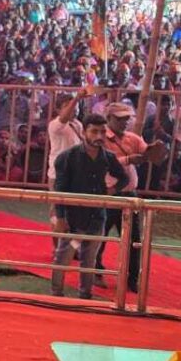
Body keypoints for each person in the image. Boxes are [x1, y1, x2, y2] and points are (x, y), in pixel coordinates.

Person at [51, 114, 132, 299]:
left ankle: (85, 295)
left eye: (102, 132)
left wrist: (111, 190)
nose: (99, 136)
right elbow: (60, 189)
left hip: (97, 216)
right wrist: (60, 218)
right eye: (94, 131)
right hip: (73, 218)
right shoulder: (67, 157)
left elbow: (124, 178)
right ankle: (56, 294)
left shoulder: (108, 157)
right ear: (84, 132)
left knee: (89, 259)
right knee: (64, 256)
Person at [95, 102, 162, 292]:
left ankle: (132, 279)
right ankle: (95, 272)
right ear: (109, 118)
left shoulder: (133, 138)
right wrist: (128, 160)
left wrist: (155, 149)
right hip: (109, 193)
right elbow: (101, 161)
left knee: (134, 240)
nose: (124, 122)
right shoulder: (100, 137)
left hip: (129, 195)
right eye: (120, 119)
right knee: (99, 236)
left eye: (126, 118)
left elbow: (154, 156)